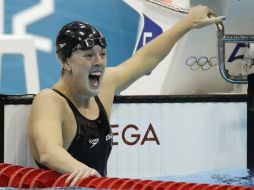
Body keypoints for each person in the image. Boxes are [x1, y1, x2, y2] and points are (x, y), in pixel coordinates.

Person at [28, 5, 224, 186]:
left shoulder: (105, 86)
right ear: (65, 61)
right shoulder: (50, 100)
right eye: (89, 55)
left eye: (102, 54)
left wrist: (188, 23)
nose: (99, 62)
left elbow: (146, 58)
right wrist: (81, 170)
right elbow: (48, 151)